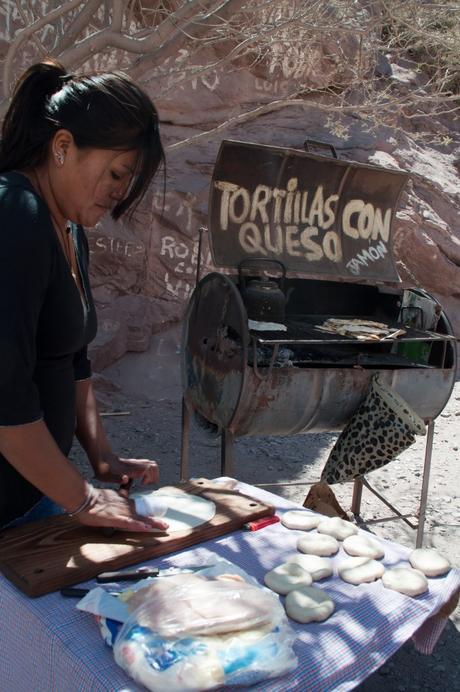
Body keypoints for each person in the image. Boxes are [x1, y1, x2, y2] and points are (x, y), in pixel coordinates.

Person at [0, 59, 169, 532]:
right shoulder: (15, 218)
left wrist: (103, 456)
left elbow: (70, 361)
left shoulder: (68, 226)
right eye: (117, 173)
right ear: (62, 146)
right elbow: (5, 398)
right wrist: (85, 501)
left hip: (35, 496)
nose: (120, 192)